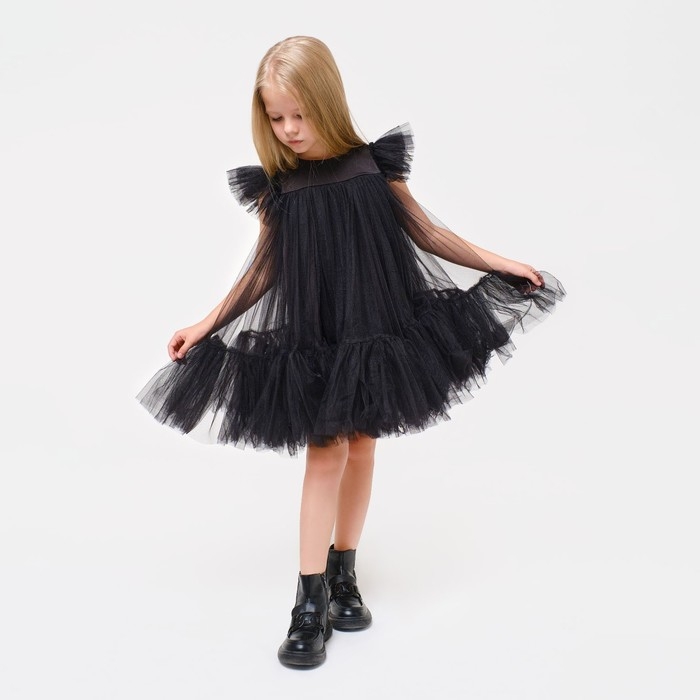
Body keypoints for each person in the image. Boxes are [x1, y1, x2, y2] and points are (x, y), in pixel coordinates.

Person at [137, 35, 565, 669]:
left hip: (375, 325)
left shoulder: (372, 165)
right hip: (316, 334)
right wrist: (206, 323)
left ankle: (344, 574)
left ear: (327, 103)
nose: (289, 130)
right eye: (276, 118)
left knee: (362, 444)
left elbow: (426, 231)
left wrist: (499, 263)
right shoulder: (281, 188)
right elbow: (264, 268)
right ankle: (308, 602)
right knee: (323, 452)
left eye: (299, 115)